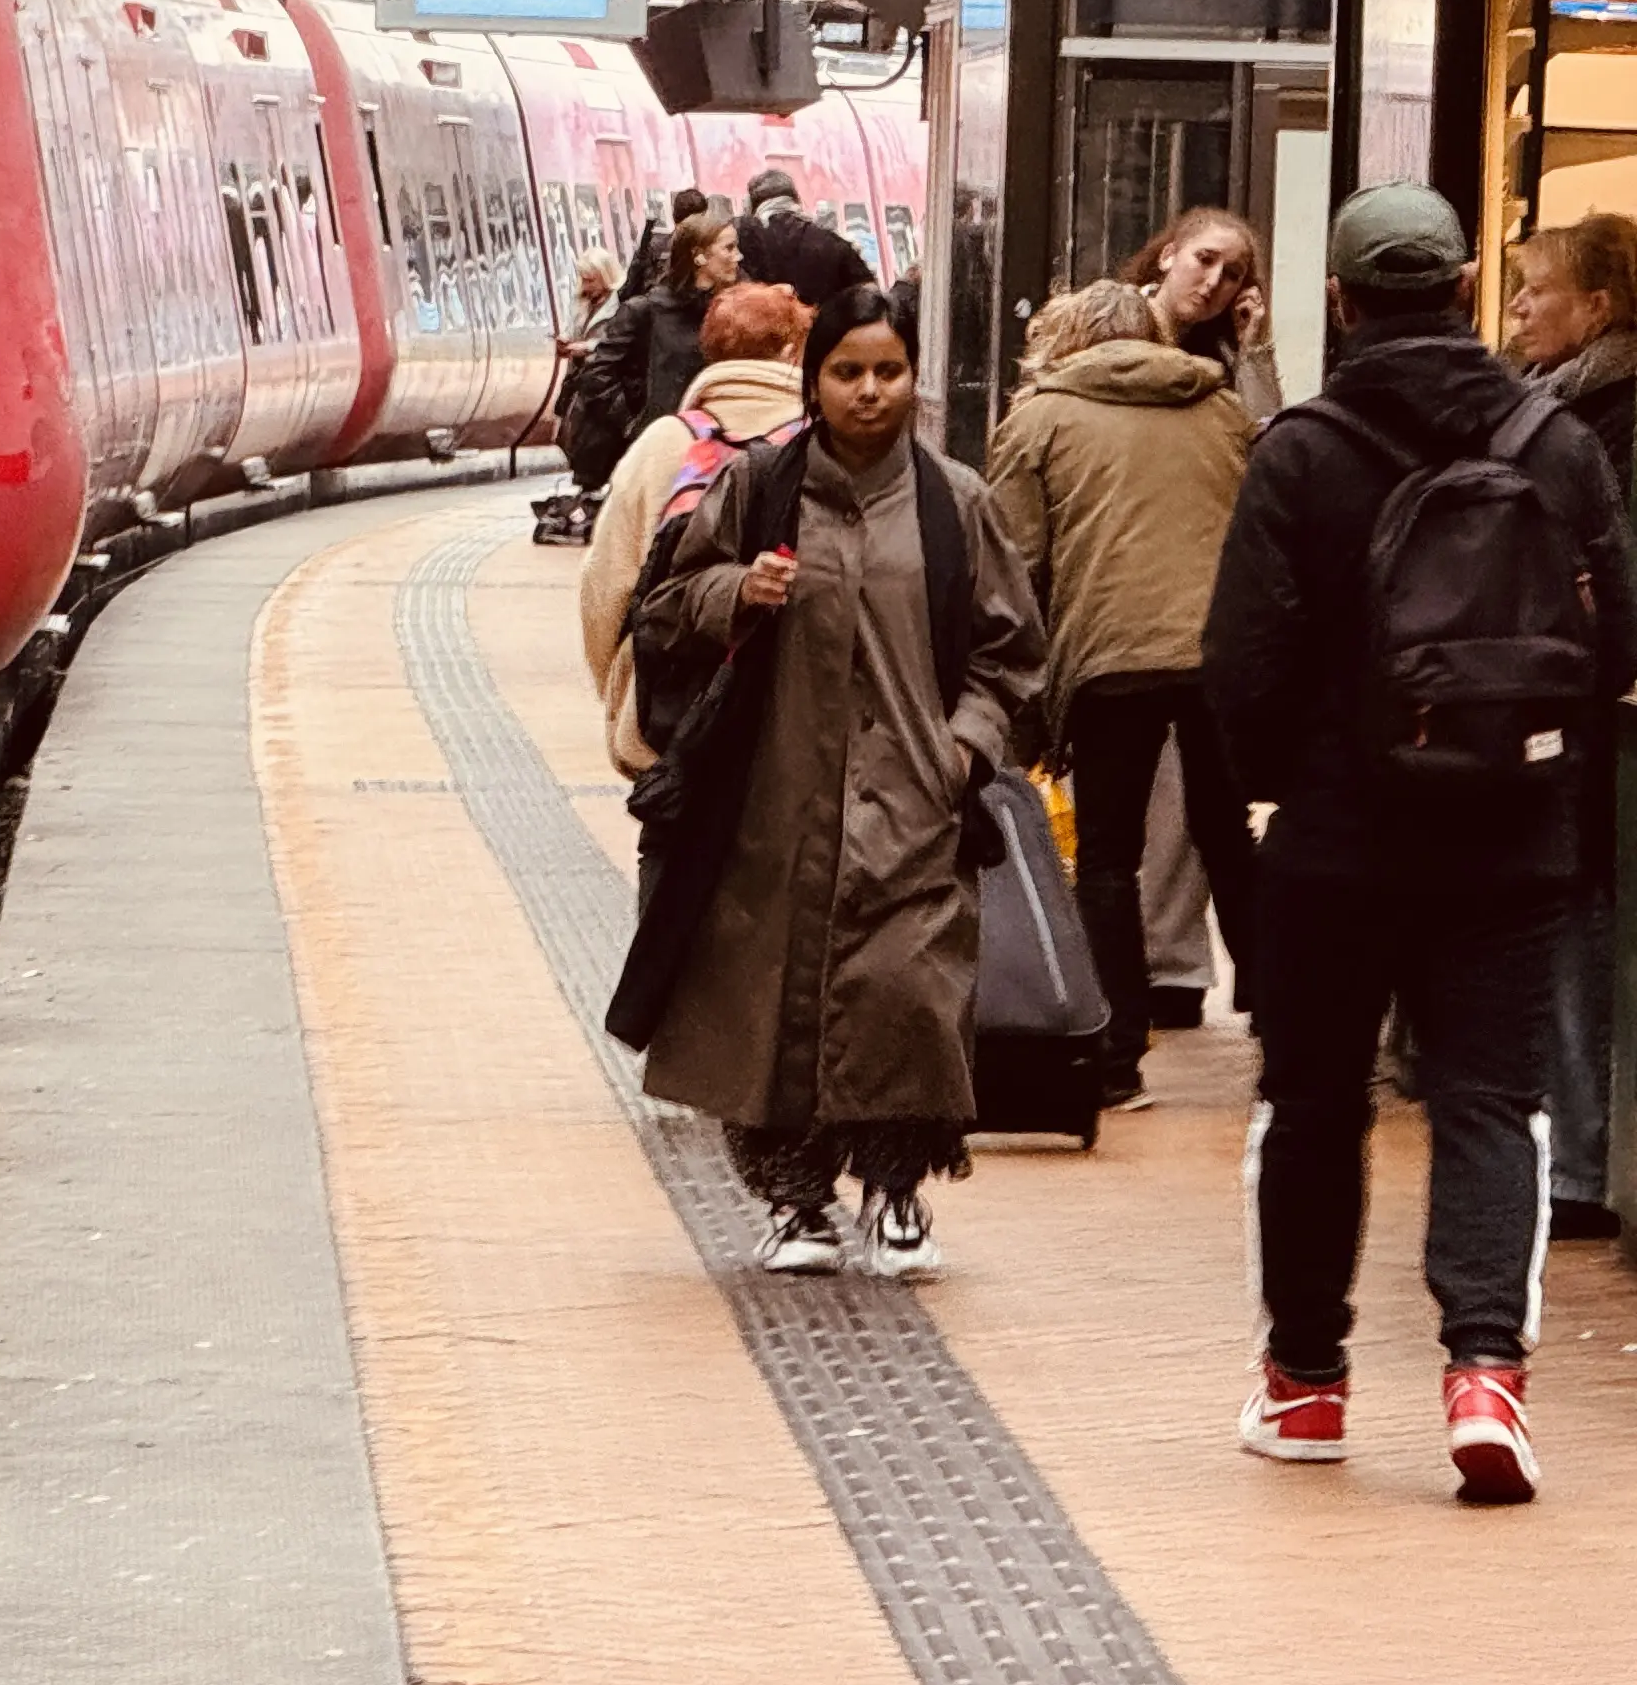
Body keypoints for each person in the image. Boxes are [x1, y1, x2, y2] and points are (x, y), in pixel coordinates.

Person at [1205, 186, 1637, 1503]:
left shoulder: (1301, 450)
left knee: (1316, 1104)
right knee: (1491, 1103)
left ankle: (1308, 1382)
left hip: (1338, 841)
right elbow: (1615, 639)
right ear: (1459, 294)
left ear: (1339, 304)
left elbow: (1241, 665)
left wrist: (1289, 786)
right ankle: (1485, 1375)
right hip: (1509, 836)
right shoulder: (1554, 443)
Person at [628, 285, 1048, 1279]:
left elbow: (1013, 655)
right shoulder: (760, 487)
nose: (869, 392)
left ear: (915, 379)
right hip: (772, 807)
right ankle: (796, 1200)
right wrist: (738, 591)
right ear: (813, 381)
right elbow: (664, 603)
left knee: (907, 994)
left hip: (913, 803)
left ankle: (897, 1192)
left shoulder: (957, 503)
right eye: (847, 372)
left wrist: (964, 749)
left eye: (888, 372)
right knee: (775, 1003)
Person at [981, 276, 1258, 1113]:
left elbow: (1013, 565)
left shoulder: (1038, 420)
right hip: (1218, 654)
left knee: (1107, 854)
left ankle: (1115, 1053)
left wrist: (1017, 703)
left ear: (1066, 340)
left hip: (1109, 660)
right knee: (1228, 836)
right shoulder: (1218, 410)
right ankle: (1288, 1030)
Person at [1506, 214, 1637, 1242]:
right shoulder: (1559, 410)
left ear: (1597, 307)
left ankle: (1583, 1164)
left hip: (1590, 710)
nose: (1515, 310)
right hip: (1577, 703)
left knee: (1583, 931)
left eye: (1534, 289)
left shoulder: (1597, 419)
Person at [578, 279, 811, 774]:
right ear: (794, 351)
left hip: (672, 716)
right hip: (791, 720)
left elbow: (607, 581)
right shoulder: (820, 443)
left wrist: (624, 690)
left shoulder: (665, 441)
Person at [566, 209, 741, 488]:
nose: (738, 256)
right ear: (699, 256)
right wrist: (633, 423)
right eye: (729, 248)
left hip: (712, 449)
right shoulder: (644, 310)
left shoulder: (725, 311)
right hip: (660, 454)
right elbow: (597, 374)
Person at [1123, 205, 1283, 417]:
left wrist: (1254, 349)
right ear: (1168, 256)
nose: (1214, 281)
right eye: (1205, 259)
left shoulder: (1226, 357)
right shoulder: (1113, 322)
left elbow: (1266, 434)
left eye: (1232, 275)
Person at [737, 166, 866, 307]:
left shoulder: (741, 244)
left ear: (751, 205)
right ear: (796, 199)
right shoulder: (834, 242)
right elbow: (866, 295)